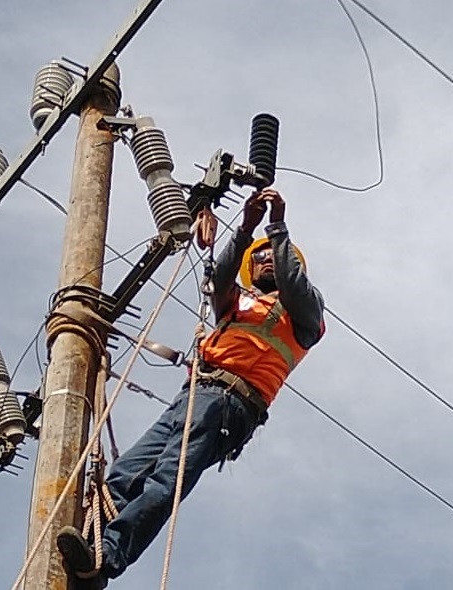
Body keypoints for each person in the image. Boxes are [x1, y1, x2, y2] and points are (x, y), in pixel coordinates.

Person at [57, 188, 326, 587]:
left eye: (272, 254)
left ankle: (107, 557)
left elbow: (291, 279)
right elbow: (219, 280)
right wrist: (244, 229)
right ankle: (89, 546)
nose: (265, 257)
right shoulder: (240, 303)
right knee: (125, 473)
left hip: (230, 403)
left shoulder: (304, 313)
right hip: (194, 395)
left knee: (166, 480)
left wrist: (276, 225)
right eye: (259, 255)